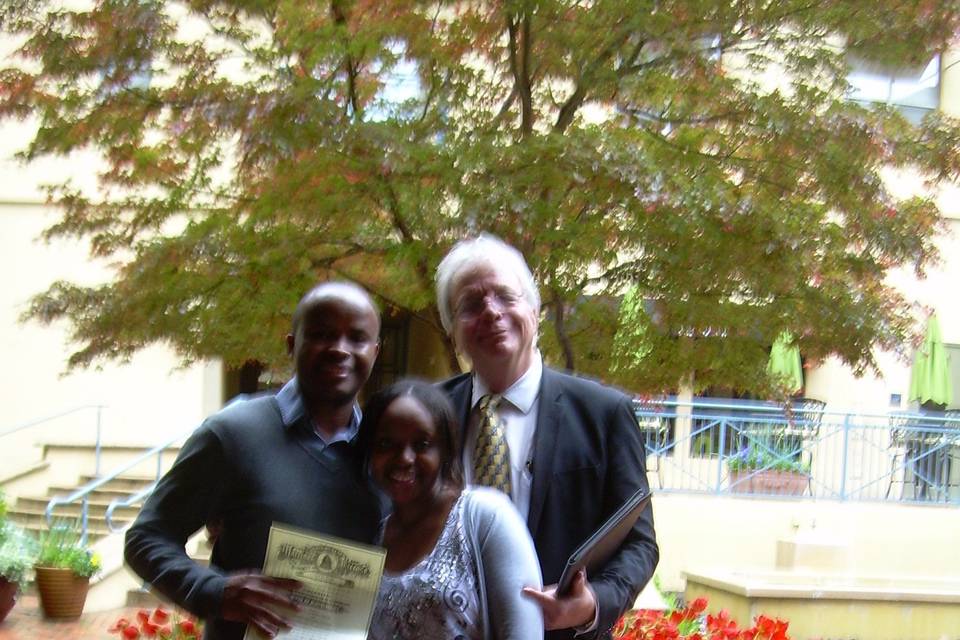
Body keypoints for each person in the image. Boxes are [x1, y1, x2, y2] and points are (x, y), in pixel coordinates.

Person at [125, 282, 387, 640]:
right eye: (322, 334)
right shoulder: (233, 435)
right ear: (292, 344)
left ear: (375, 352)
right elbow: (146, 538)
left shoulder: (386, 453)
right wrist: (214, 591)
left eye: (356, 338)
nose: (339, 349)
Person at [435, 235, 659, 640]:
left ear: (534, 311)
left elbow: (640, 544)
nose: (490, 311)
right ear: (453, 330)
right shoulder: (427, 415)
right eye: (470, 305)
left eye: (506, 296)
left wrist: (592, 603)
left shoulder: (604, 415)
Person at [358, 379, 543, 640]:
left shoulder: (485, 516)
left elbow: (524, 633)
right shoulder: (373, 539)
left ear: (444, 450)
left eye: (422, 445)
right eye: (387, 445)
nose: (404, 458)